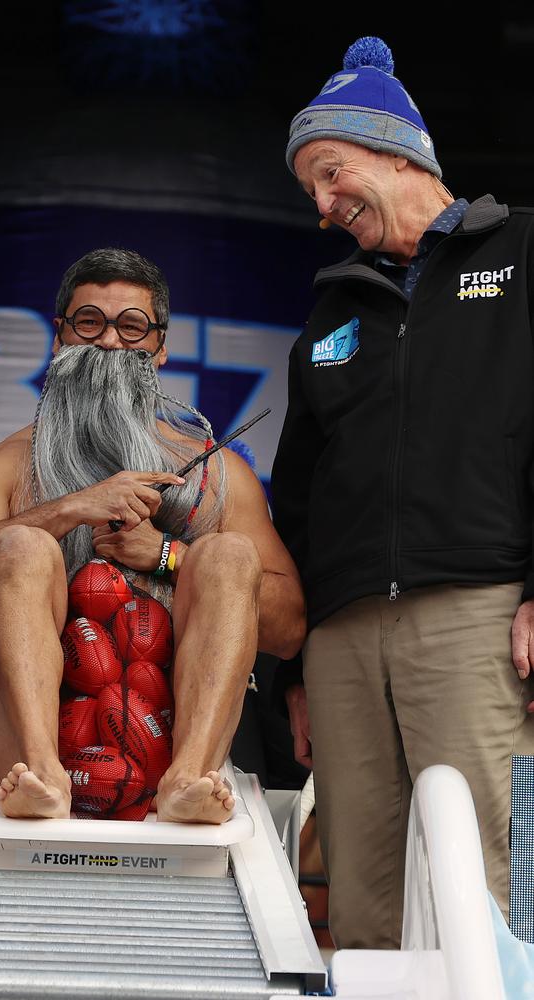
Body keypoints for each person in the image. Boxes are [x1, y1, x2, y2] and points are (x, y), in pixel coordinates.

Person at [272, 35, 534, 948]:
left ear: (400, 154)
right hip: (342, 635)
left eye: (333, 172)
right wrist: (293, 670)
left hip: (477, 606)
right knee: (357, 888)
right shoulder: (332, 311)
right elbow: (294, 503)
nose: (322, 205)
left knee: (505, 873)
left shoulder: (521, 247)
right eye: (311, 186)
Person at [0, 247, 305, 824]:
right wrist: (71, 509)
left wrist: (169, 554)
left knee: (227, 554)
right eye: (89, 322)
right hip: (32, 751)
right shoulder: (0, 464)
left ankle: (188, 780)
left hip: (172, 739)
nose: (109, 343)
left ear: (161, 346)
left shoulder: (217, 472)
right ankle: (42, 772)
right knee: (21, 544)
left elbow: (289, 626)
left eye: (132, 327)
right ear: (60, 336)